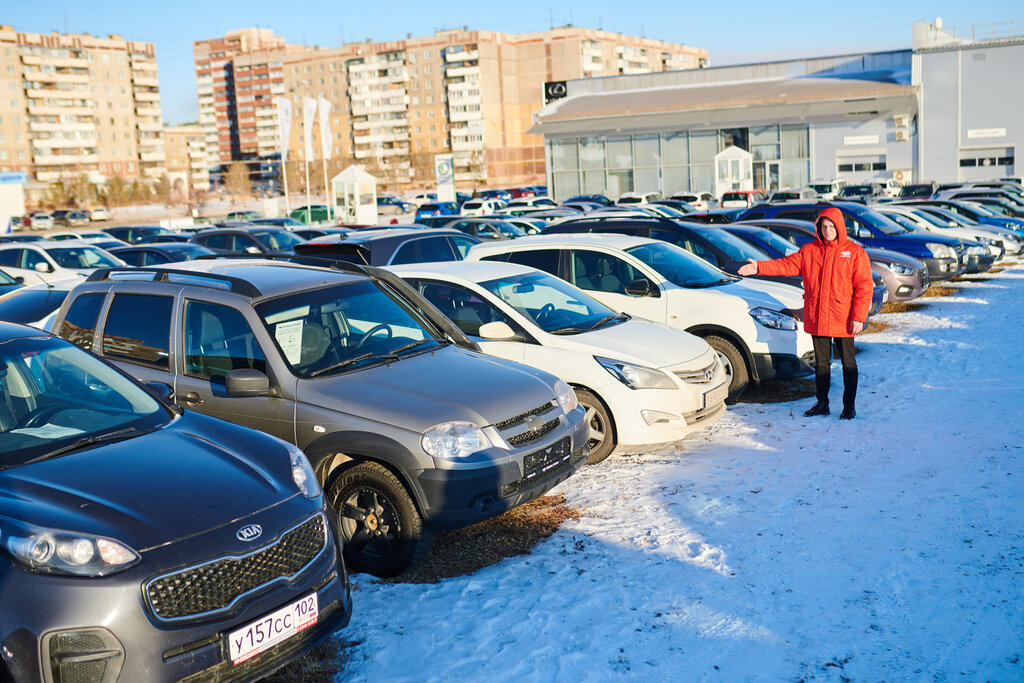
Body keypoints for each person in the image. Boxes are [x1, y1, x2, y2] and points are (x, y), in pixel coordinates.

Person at [737, 207, 873, 419]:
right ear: (818, 228)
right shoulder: (809, 250)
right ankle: (822, 403)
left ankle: (849, 406)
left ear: (839, 227)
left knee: (848, 363)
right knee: (821, 364)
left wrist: (858, 316)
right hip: (818, 315)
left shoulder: (855, 253)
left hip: (843, 317)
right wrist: (759, 268)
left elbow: (864, 288)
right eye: (823, 226)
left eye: (831, 226)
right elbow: (786, 265)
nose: (828, 230)